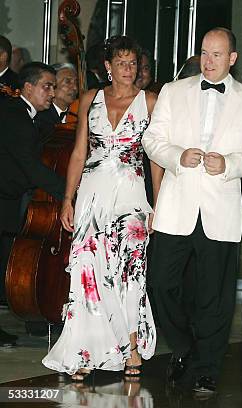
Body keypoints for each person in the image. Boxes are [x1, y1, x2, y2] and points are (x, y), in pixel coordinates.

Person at [142, 27, 242, 394]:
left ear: (233, 58)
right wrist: (176, 157)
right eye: (204, 53)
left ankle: (206, 368)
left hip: (221, 209)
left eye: (217, 54)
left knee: (215, 296)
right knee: (160, 283)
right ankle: (184, 347)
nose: (208, 61)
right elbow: (152, 139)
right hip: (176, 206)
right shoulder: (173, 90)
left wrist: (228, 164)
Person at [42, 36, 157, 382]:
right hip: (92, 194)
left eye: (133, 63)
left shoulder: (150, 101)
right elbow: (79, 152)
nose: (128, 69)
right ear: (107, 67)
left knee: (131, 269)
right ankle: (85, 350)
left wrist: (157, 205)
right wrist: (67, 198)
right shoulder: (89, 99)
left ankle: (132, 347)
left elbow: (156, 158)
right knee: (87, 270)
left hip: (132, 193)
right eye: (120, 63)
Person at [0, 62, 65, 346]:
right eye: (46, 86)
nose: (51, 93)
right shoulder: (15, 115)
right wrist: (69, 191)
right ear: (28, 87)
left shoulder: (27, 116)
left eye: (53, 86)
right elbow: (30, 166)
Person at [35, 62, 79, 141]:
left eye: (76, 82)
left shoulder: (77, 114)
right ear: (52, 84)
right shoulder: (40, 116)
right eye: (67, 82)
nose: (75, 87)